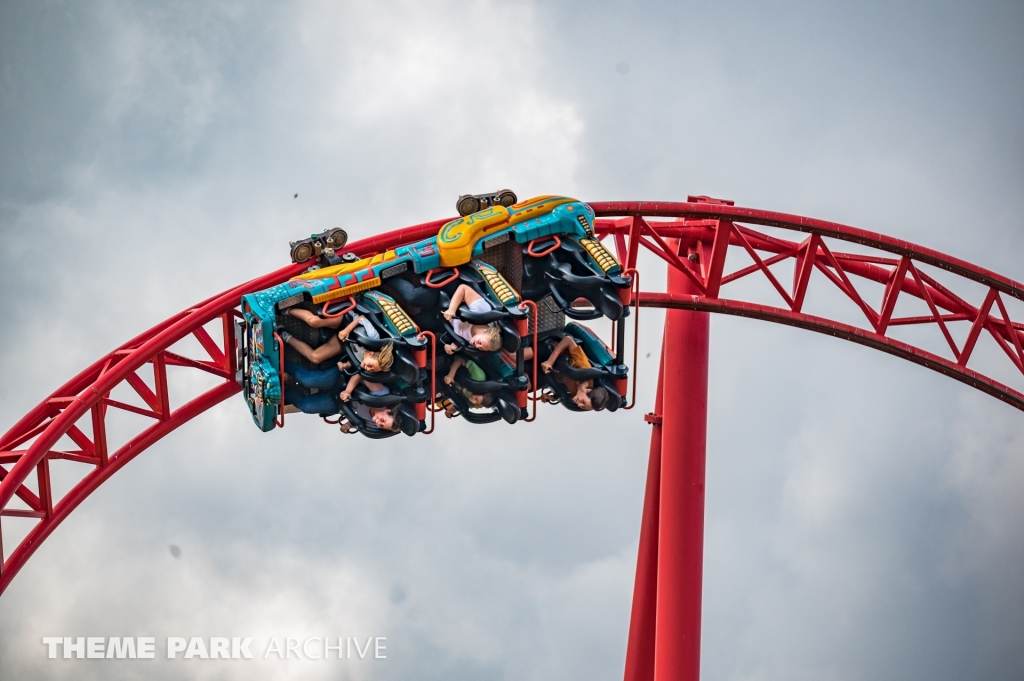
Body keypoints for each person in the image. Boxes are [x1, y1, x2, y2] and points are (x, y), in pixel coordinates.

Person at [280, 315, 393, 373]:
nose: (368, 369)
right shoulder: (373, 337)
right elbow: (361, 318)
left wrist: (346, 365)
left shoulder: (363, 360)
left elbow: (354, 358)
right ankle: (285, 310)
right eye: (371, 366)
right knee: (314, 322)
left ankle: (284, 335)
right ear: (371, 354)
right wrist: (347, 330)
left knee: (315, 357)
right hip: (346, 321)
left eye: (372, 371)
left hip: (344, 341)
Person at [539, 335, 609, 411]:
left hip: (546, 372)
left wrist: (551, 397)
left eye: (582, 407)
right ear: (588, 391)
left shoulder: (577, 394)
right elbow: (568, 340)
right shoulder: (584, 367)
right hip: (550, 351)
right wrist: (550, 361)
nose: (579, 404)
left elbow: (565, 393)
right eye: (583, 402)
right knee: (529, 353)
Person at [442, 284, 503, 353]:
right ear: (484, 331)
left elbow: (460, 341)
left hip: (443, 322)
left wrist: (452, 346)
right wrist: (452, 309)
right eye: (480, 342)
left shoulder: (473, 339)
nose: (476, 346)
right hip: (447, 296)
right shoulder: (482, 310)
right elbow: (463, 288)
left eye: (481, 348)